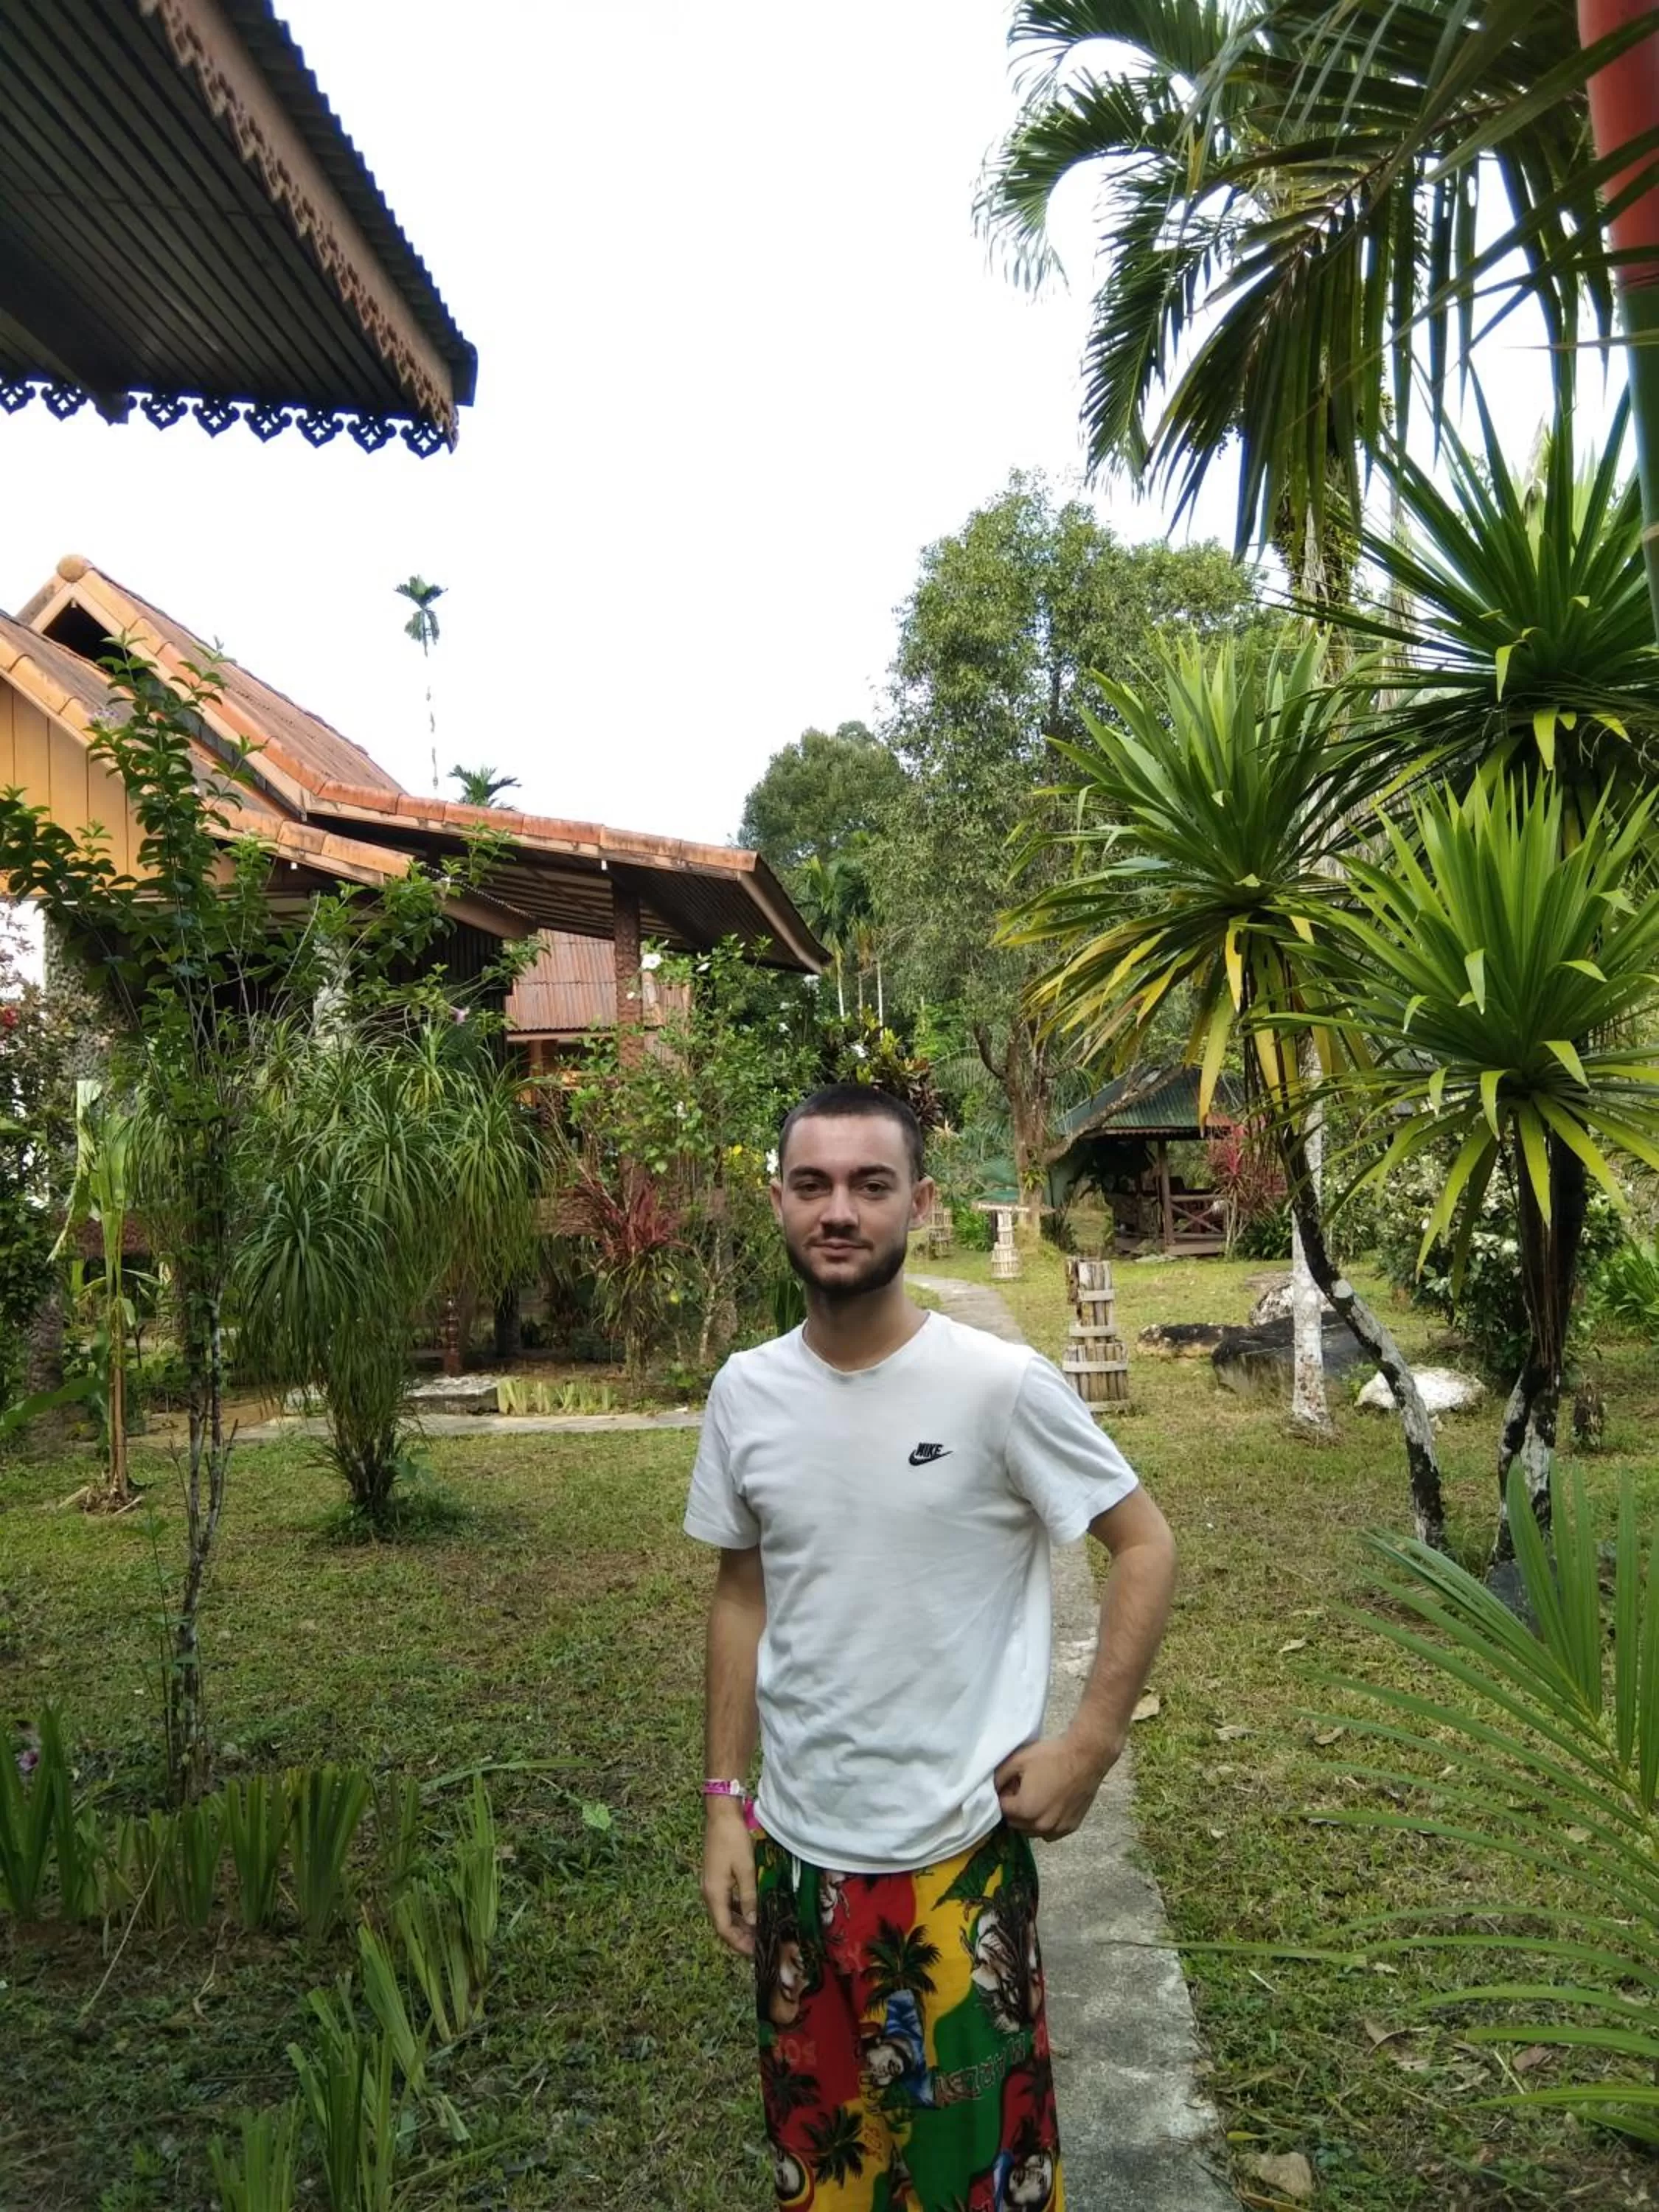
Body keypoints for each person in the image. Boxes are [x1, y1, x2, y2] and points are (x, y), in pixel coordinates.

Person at [685, 1084, 1177, 2211]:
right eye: (811, 1185)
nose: (838, 1210)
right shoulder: (746, 1392)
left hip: (954, 1869)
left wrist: (1090, 1744)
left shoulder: (994, 1385)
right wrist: (721, 1802)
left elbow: (1143, 1545)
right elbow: (739, 1594)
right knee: (823, 2181)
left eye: (870, 1185)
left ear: (919, 1202)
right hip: (796, 1867)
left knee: (980, 2188)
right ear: (778, 1202)